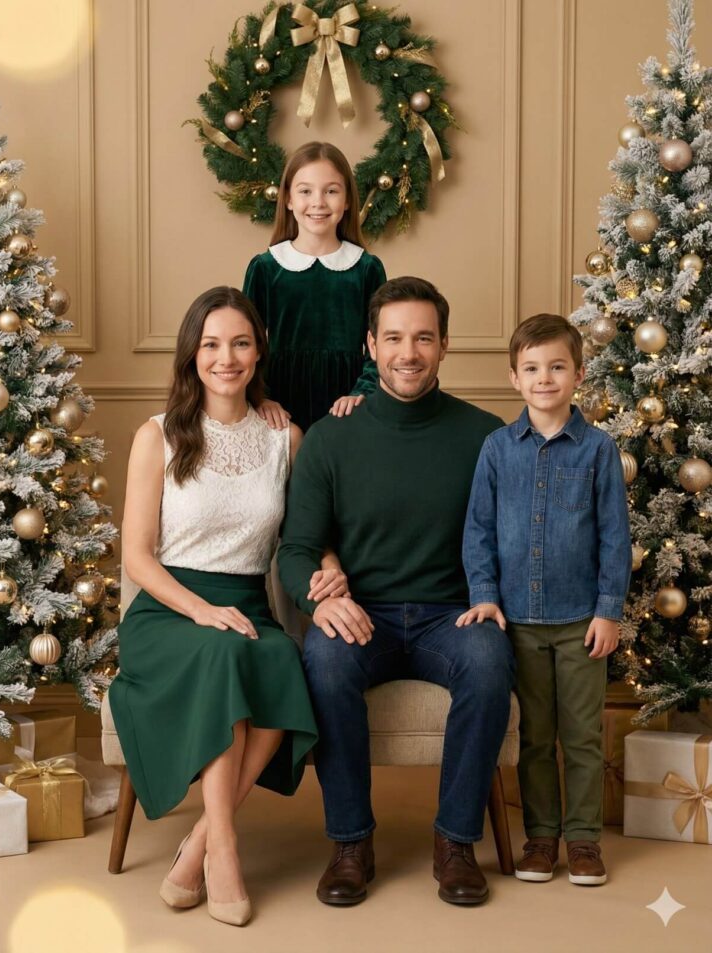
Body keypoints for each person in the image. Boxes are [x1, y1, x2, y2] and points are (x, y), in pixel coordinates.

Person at [278, 275, 515, 907]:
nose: (408, 352)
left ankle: (456, 843)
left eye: (423, 338)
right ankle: (351, 843)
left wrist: (491, 596)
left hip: (452, 617)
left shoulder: (483, 435)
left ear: (444, 346)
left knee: (491, 663)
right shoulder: (332, 436)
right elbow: (297, 547)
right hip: (364, 616)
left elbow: (511, 534)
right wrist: (321, 600)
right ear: (370, 346)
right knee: (324, 663)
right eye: (393, 338)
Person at [108, 287, 324, 927]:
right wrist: (199, 610)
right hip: (168, 610)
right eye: (210, 344)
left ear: (258, 351)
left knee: (285, 658)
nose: (225, 357)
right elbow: (137, 557)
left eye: (239, 342)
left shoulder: (288, 438)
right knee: (227, 654)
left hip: (248, 605)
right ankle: (224, 849)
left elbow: (307, 540)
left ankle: (199, 840)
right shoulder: (158, 436)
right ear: (191, 354)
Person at [458, 313, 631, 887]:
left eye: (557, 367)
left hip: (582, 621)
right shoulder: (496, 449)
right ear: (514, 377)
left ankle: (583, 842)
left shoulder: (599, 450)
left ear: (579, 374)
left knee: (581, 735)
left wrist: (609, 610)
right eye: (532, 368)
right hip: (519, 624)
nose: (544, 378)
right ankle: (540, 839)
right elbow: (477, 529)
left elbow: (614, 536)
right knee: (534, 736)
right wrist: (484, 595)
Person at [242, 141, 387, 432]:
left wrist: (361, 392)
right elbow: (247, 342)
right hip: (278, 408)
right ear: (288, 199)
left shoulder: (366, 268)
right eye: (305, 191)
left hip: (348, 407)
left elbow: (380, 345)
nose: (318, 202)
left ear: (347, 200)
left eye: (331, 191)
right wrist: (262, 398)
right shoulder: (266, 267)